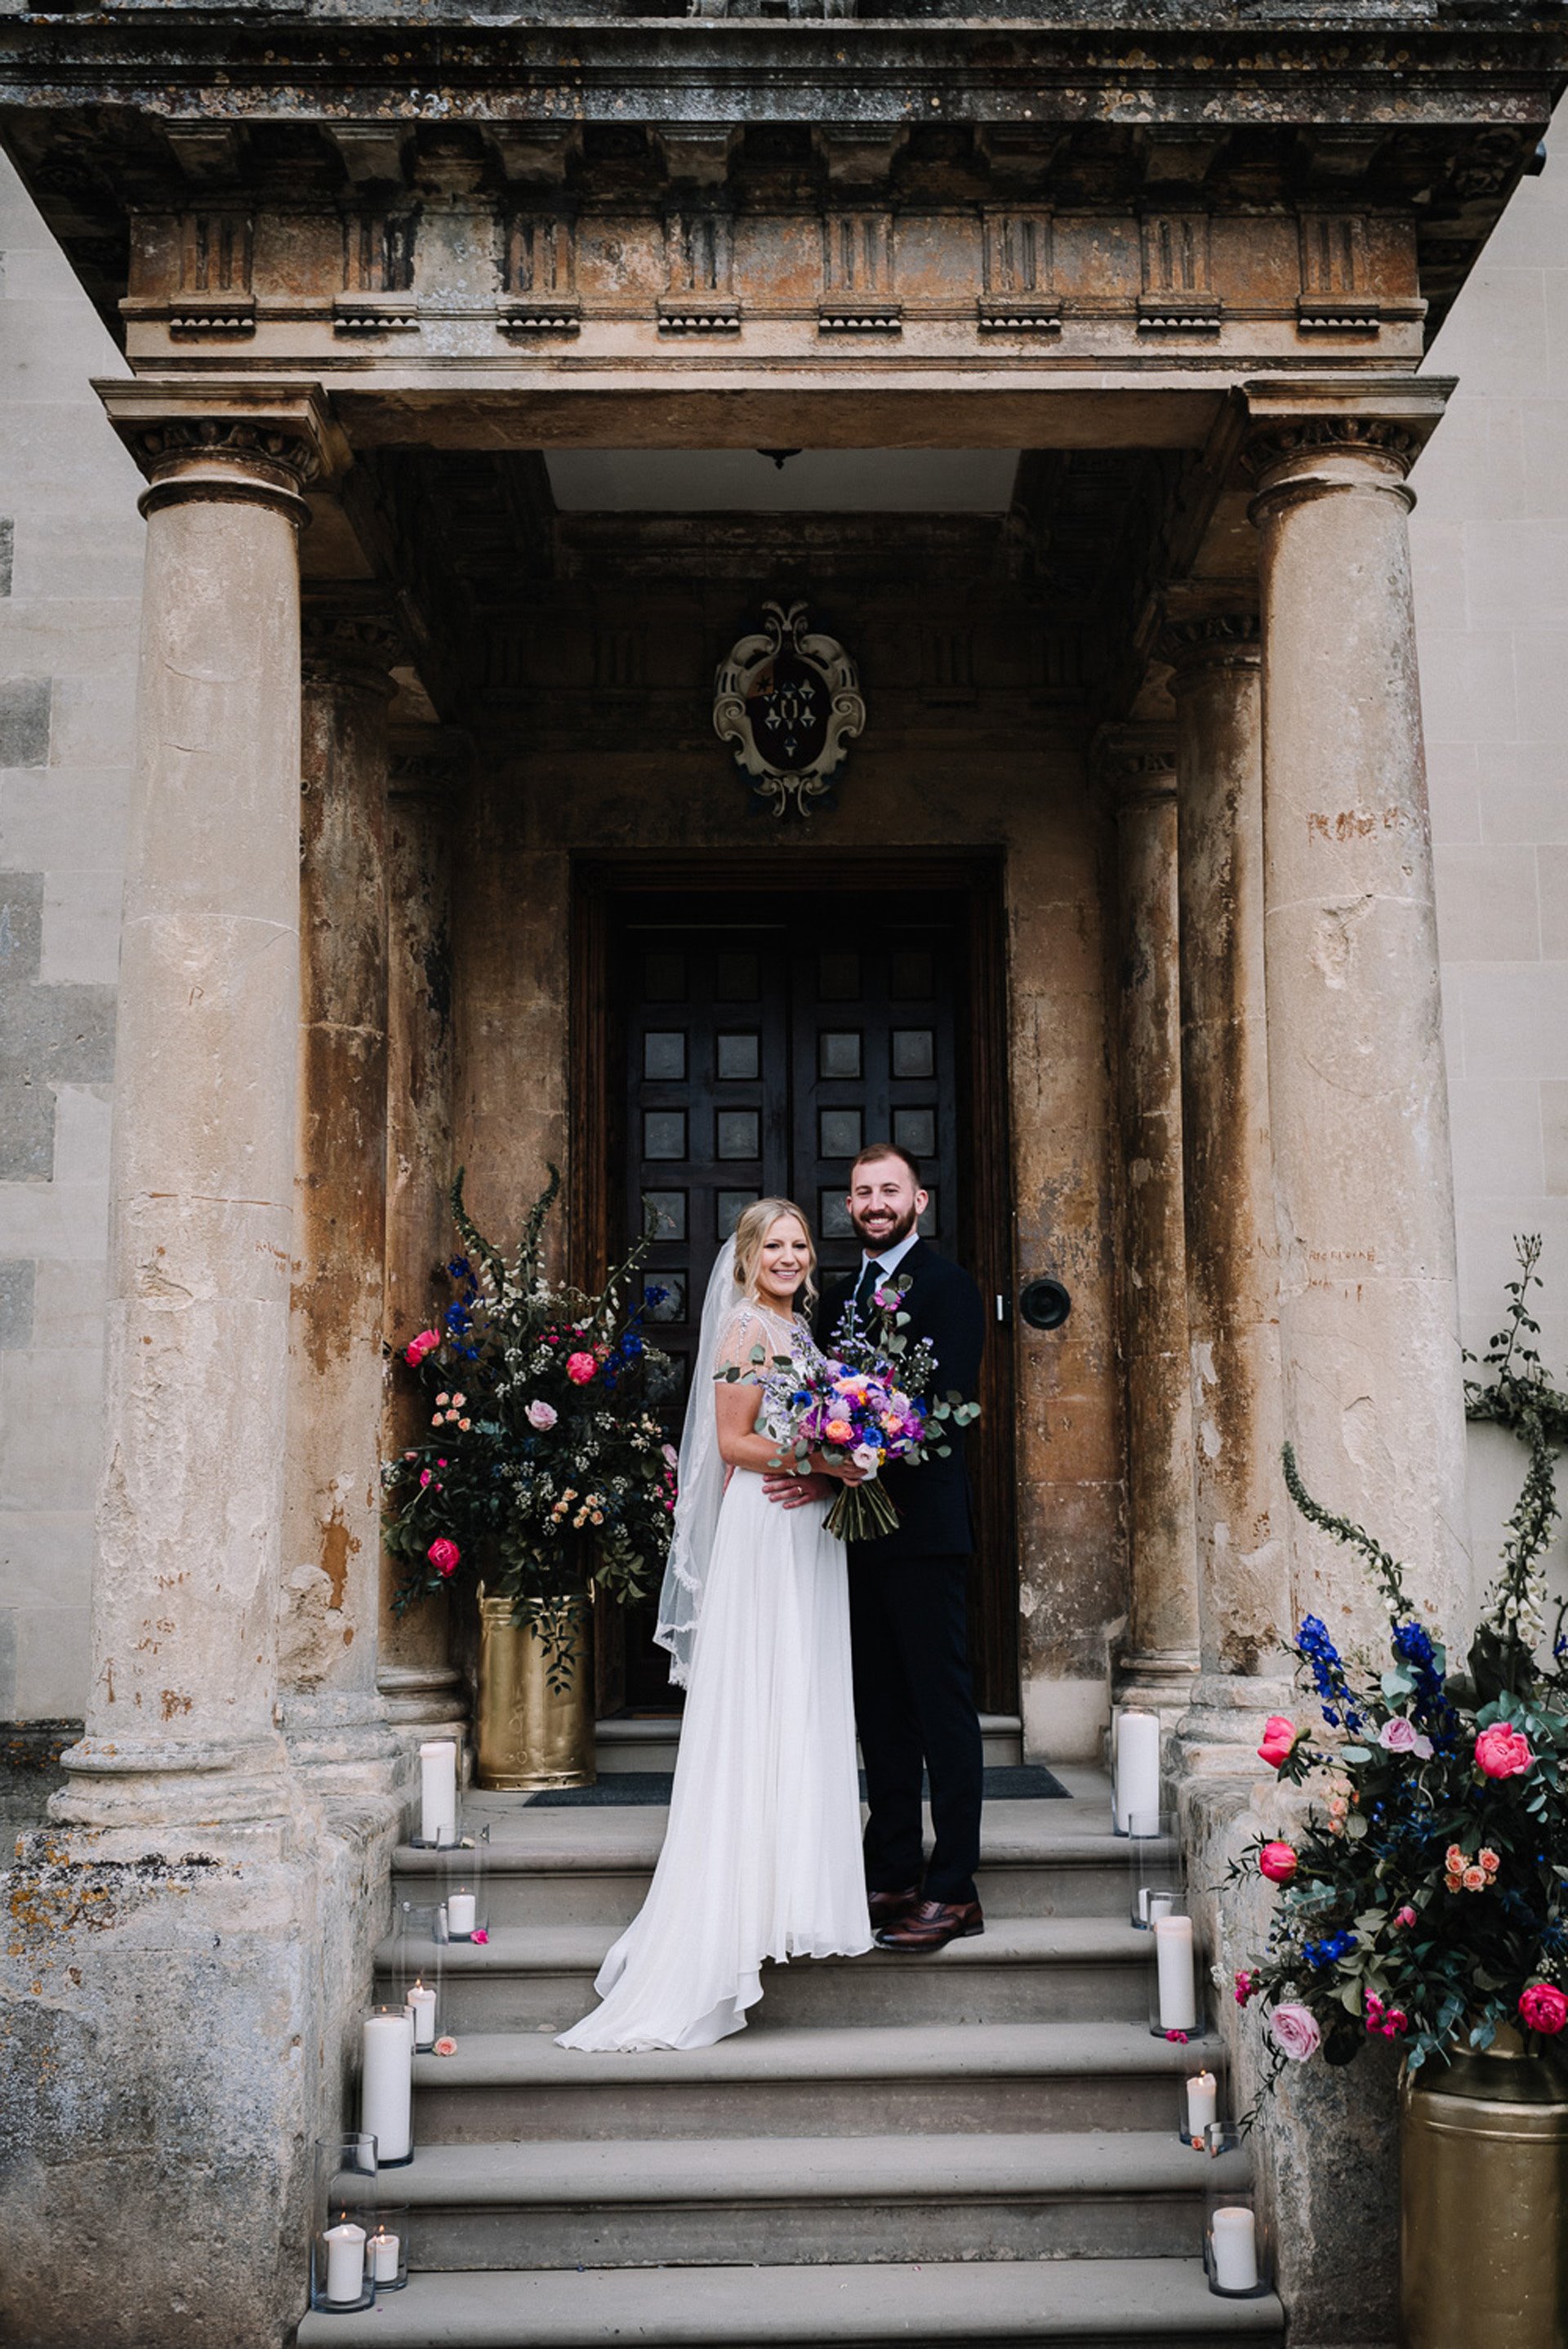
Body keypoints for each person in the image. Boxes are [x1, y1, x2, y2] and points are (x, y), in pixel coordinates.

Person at [557, 1199, 872, 2052]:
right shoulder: (744, 1331)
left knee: (797, 1697)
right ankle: (729, 1911)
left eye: (800, 1244)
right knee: (759, 1700)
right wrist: (826, 1457)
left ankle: (784, 1887)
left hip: (804, 1530)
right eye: (773, 1244)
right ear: (745, 1255)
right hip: (765, 1532)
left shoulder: (798, 1332)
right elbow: (734, 1444)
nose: (789, 1255)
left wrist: (842, 1458)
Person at [765, 1143, 987, 1955]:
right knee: (880, 1712)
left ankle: (954, 1884)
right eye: (862, 1192)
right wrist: (825, 1469)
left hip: (924, 1533)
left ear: (919, 1200)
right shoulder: (831, 1299)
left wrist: (874, 1448)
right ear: (850, 1204)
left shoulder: (947, 1286)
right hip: (852, 1536)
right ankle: (891, 1866)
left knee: (941, 1710)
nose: (875, 1201)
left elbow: (946, 1407)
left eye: (889, 1189)